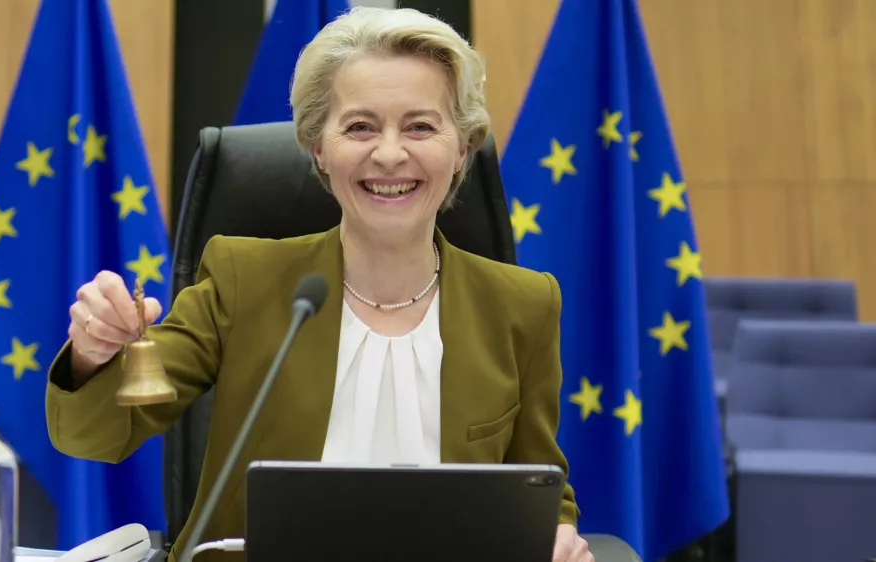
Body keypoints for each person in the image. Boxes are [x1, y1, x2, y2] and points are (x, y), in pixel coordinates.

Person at [45, 6, 592, 562]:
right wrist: (92, 353)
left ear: (463, 150)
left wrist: (555, 534)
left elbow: (540, 485)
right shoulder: (243, 280)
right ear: (318, 149)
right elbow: (98, 435)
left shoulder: (523, 305)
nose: (389, 153)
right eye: (359, 126)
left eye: (421, 126)